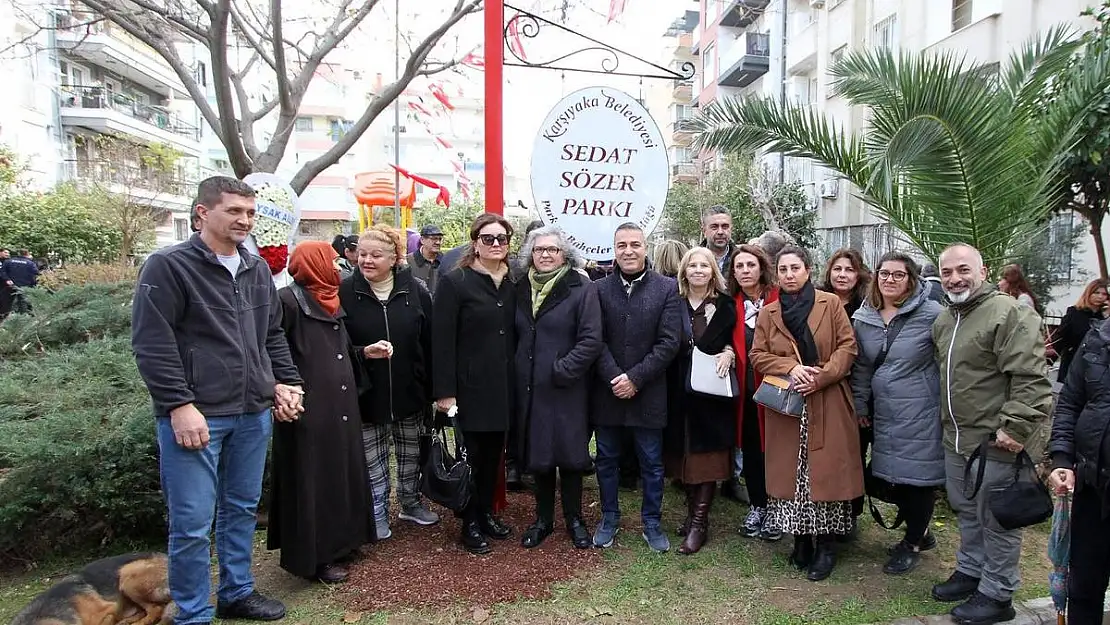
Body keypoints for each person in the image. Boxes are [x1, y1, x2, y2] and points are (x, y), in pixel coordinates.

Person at [131, 176, 305, 622]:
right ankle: (192, 614)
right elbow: (153, 344)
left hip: (252, 411)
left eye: (249, 212)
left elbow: (271, 335)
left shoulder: (256, 269)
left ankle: (236, 592)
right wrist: (178, 405)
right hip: (197, 416)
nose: (244, 220)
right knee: (191, 525)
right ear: (202, 213)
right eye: (233, 211)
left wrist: (286, 382)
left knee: (242, 509)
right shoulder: (167, 267)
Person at [931, 243, 1052, 624]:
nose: (955, 278)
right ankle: (971, 570)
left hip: (997, 442)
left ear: (983, 271)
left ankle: (998, 594)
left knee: (998, 519)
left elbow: (1031, 378)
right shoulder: (946, 319)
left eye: (963, 270)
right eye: (947, 272)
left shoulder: (1008, 313)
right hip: (957, 438)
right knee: (968, 510)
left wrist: (1014, 427)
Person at [750, 244, 862, 582]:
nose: (789, 275)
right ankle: (800, 541)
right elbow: (758, 354)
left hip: (827, 398)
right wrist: (790, 367)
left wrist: (822, 375)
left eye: (794, 268)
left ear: (808, 270)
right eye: (783, 270)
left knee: (826, 475)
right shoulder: (769, 313)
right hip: (788, 404)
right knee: (793, 476)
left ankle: (826, 546)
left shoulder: (830, 304)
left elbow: (848, 346)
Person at [269, 241, 371, 584]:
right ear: (312, 264)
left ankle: (345, 541)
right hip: (308, 406)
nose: (338, 265)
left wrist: (363, 353)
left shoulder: (330, 297)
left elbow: (339, 350)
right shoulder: (287, 301)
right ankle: (317, 557)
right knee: (314, 480)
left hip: (340, 403)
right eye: (330, 260)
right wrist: (283, 390)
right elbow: (273, 349)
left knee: (342, 472)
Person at [340, 225, 439, 541]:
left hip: (410, 390)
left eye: (376, 255)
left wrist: (433, 387)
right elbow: (335, 347)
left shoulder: (416, 291)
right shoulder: (344, 293)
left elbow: (431, 341)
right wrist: (362, 352)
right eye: (363, 254)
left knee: (411, 453)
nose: (367, 261)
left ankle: (410, 502)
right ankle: (377, 512)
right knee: (373, 459)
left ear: (395, 257)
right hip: (366, 392)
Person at [850, 252, 945, 575]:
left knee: (916, 480)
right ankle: (922, 530)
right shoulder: (866, 315)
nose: (890, 280)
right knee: (881, 476)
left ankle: (913, 542)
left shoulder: (932, 314)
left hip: (918, 409)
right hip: (880, 410)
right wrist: (860, 405)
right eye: (884, 274)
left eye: (898, 275)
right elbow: (860, 366)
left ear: (912, 279)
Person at [591, 222, 683, 552]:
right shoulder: (598, 289)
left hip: (649, 391)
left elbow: (669, 342)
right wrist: (616, 377)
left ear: (646, 247)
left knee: (652, 463)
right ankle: (609, 518)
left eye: (635, 244)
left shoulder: (667, 288)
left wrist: (636, 378)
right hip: (608, 390)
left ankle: (652, 522)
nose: (628, 251)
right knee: (606, 460)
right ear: (613, 250)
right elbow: (594, 339)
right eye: (621, 245)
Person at [513, 225, 603, 549]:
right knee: (539, 454)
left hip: (567, 387)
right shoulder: (520, 286)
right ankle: (543, 520)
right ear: (531, 254)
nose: (546, 255)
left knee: (570, 455)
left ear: (564, 253)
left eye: (552, 249)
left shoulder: (581, 286)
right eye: (540, 250)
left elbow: (591, 338)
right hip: (531, 387)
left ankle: (575, 520)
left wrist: (564, 370)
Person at [432, 213, 517, 555]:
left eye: (501, 238)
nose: (495, 244)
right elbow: (441, 341)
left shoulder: (515, 283)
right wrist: (444, 392)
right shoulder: (456, 282)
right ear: (475, 242)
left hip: (504, 387)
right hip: (469, 388)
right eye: (488, 238)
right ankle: (469, 521)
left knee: (494, 456)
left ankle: (484, 514)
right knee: (471, 456)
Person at [663, 247, 738, 555]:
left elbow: (736, 340)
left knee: (707, 456)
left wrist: (730, 352)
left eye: (703, 265)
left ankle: (699, 524)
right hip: (677, 388)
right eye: (691, 265)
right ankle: (691, 512)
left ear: (712, 271)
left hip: (711, 390)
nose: (697, 270)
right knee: (684, 452)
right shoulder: (673, 303)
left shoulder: (725, 304)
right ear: (683, 271)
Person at [1047, 314, 1110, 625]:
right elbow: (1071, 403)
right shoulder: (1098, 339)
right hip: (1093, 485)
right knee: (1084, 586)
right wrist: (1061, 458)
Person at [729, 244, 781, 542]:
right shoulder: (730, 304)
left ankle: (777, 509)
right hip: (746, 393)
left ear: (761, 267)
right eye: (740, 266)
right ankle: (758, 506)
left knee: (776, 452)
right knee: (751, 451)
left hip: (776, 390)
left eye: (750, 265)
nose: (746, 271)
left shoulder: (779, 299)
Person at [820, 248, 872, 535]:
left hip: (857, 388)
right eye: (838, 269)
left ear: (859, 274)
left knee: (854, 453)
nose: (842, 275)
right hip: (823, 386)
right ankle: (826, 510)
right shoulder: (817, 301)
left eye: (849, 270)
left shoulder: (868, 306)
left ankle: (850, 513)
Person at [1052, 279, 1108, 382]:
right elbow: (1059, 339)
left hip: (1096, 368)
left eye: (1104, 294)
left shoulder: (1104, 318)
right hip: (1073, 363)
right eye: (1096, 293)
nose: (1100, 297)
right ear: (1088, 293)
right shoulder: (1074, 313)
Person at [405, 224, 443, 295]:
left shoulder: (446, 261)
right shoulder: (408, 261)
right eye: (434, 239)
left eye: (440, 239)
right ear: (422, 240)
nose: (438, 242)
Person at [700, 206, 734, 274]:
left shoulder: (741, 259)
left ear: (731, 229)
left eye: (725, 227)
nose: (720, 232)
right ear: (704, 230)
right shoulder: (692, 260)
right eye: (714, 227)